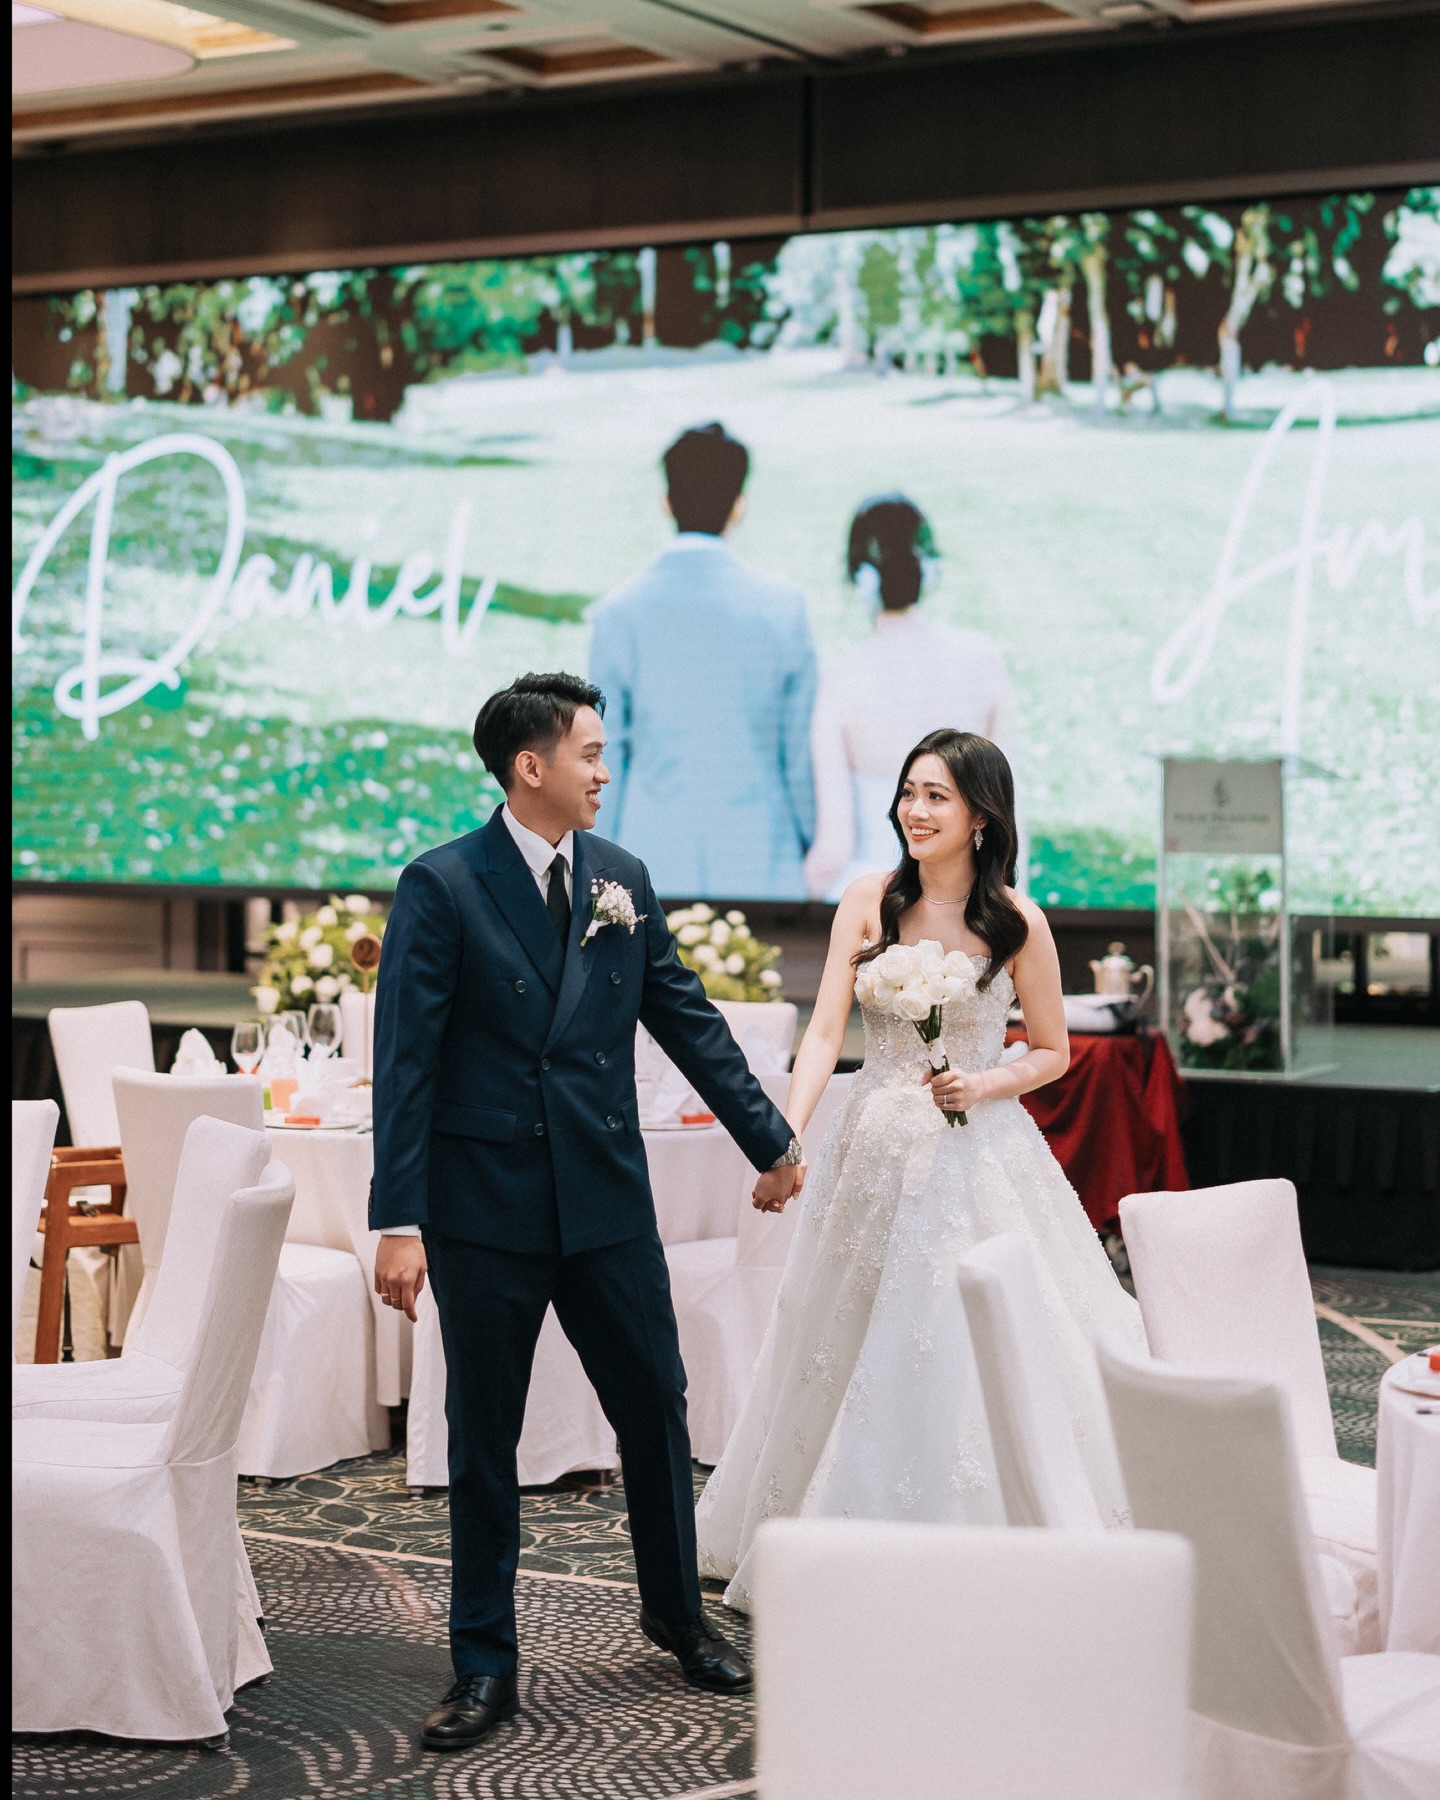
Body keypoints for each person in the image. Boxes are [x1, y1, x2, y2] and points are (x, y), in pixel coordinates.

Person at [369, 672, 808, 1750]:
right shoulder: (442, 885)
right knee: (485, 1438)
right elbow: (405, 1065)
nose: (606, 772)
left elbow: (689, 1020)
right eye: (591, 753)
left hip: (606, 1198)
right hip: (486, 1207)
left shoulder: (623, 878)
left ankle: (676, 1615)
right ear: (532, 767)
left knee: (656, 1407)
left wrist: (772, 1137)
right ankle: (483, 1665)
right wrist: (399, 1218)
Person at [695, 730, 1145, 1611]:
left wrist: (982, 1081)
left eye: (936, 795)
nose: (915, 810)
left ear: (982, 815)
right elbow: (827, 1031)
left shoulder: (1017, 921)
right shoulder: (867, 900)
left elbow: (1052, 1050)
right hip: (871, 1144)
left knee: (957, 1329)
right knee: (838, 1332)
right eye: (907, 792)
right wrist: (787, 1136)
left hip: (975, 1152)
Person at [588, 422, 817, 900]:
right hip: (763, 857)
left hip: (648, 860)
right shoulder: (784, 610)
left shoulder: (618, 615)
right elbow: (799, 756)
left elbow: (604, 758)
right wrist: (814, 844)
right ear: (739, 505)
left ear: (666, 501)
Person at [804, 496, 1019, 900]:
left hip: (875, 902)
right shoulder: (984, 660)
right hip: (973, 899)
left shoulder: (841, 677)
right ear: (929, 569)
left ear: (857, 576)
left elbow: (834, 849)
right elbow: (1009, 814)